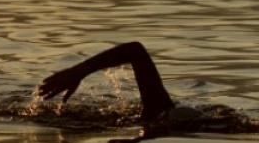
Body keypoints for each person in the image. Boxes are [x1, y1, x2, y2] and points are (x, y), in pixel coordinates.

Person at [35, 41, 175, 122]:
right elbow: (135, 51)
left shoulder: (160, 112)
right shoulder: (162, 111)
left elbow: (135, 51)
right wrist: (78, 72)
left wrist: (80, 71)